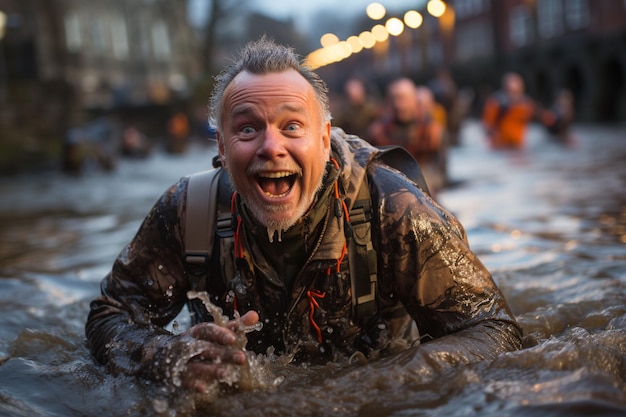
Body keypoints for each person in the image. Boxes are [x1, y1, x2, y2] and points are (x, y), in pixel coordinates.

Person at [85, 38, 522, 394]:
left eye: (292, 126)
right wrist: (164, 356)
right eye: (248, 128)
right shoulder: (187, 213)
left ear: (324, 137)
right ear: (221, 146)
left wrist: (376, 384)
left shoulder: (394, 209)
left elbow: (496, 332)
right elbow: (110, 316)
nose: (271, 147)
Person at [369, 78, 448, 193]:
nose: (399, 105)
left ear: (414, 100)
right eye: (395, 99)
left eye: (403, 98)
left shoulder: (433, 133)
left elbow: (441, 173)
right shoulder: (377, 134)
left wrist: (418, 182)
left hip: (426, 191)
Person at [481, 72, 535, 149]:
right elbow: (487, 124)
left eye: (516, 92)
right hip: (499, 145)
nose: (514, 96)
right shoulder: (495, 103)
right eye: (511, 92)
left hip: (517, 145)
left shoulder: (527, 104)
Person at [331, 76, 381, 141]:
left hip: (369, 140)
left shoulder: (372, 107)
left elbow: (380, 123)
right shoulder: (342, 110)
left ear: (362, 91)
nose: (353, 95)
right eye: (350, 93)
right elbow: (334, 124)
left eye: (355, 91)